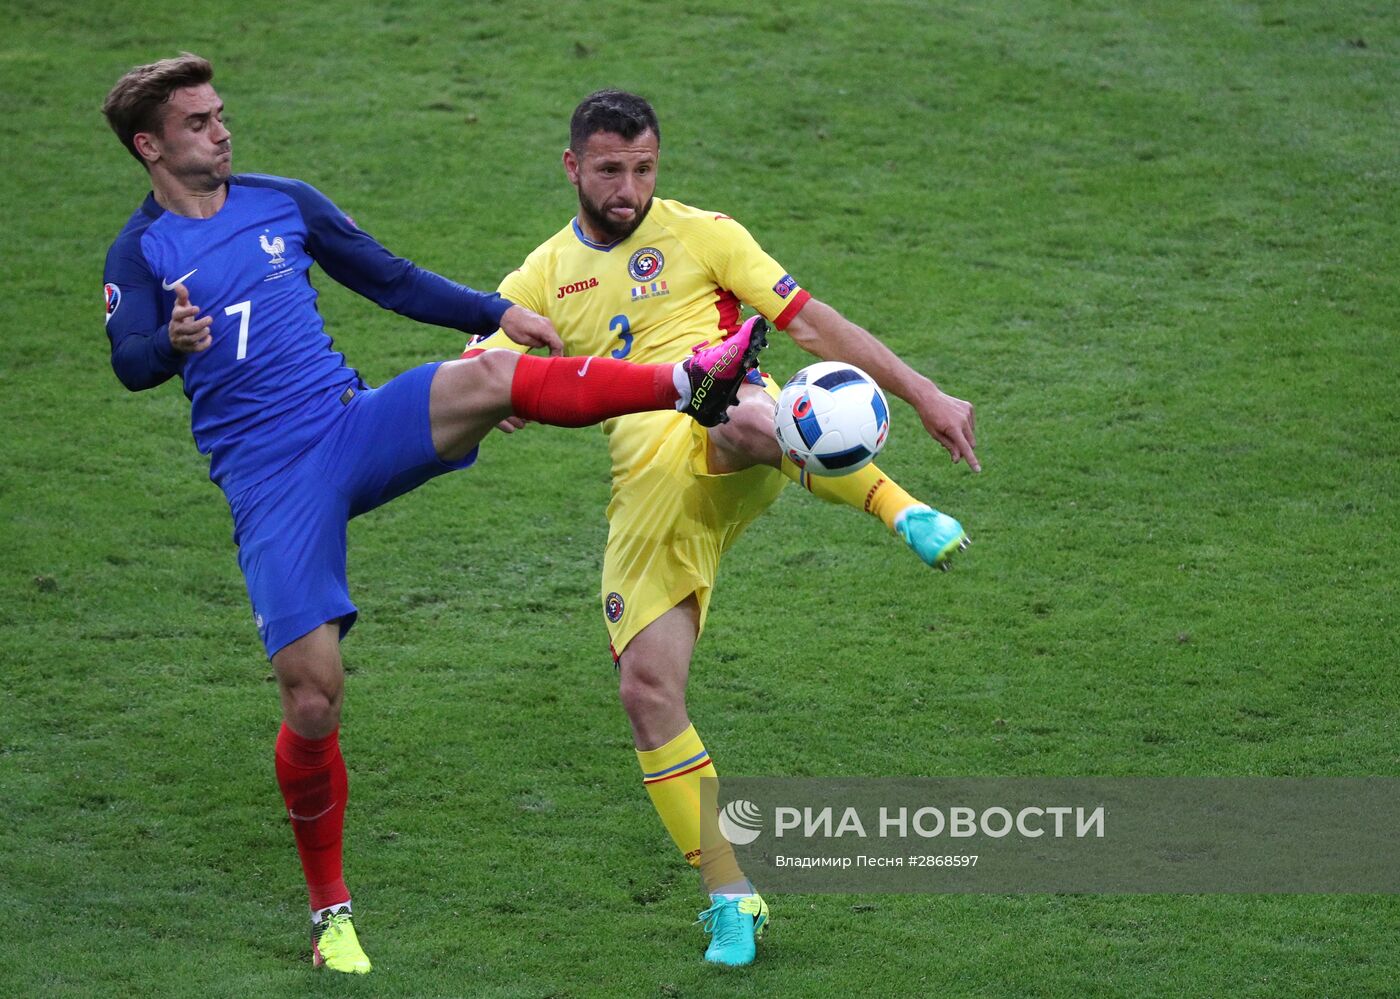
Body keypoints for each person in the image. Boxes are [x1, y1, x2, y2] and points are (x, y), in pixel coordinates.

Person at [100, 57, 766, 976]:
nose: (222, 131)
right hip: (271, 486)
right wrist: (169, 344)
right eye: (199, 122)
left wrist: (500, 310)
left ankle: (687, 380)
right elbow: (128, 358)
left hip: (347, 424)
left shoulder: (283, 202)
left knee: (488, 376)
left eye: (221, 114)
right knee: (314, 693)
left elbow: (388, 279)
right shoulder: (140, 253)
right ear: (151, 144)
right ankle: (330, 911)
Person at [461, 90, 980, 967]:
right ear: (573, 168)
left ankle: (902, 507)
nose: (629, 188)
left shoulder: (706, 234)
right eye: (610, 170)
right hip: (650, 494)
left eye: (644, 168)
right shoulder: (542, 275)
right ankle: (732, 896)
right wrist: (494, 388)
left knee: (725, 403)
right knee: (647, 692)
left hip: (731, 431)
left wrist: (924, 393)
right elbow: (480, 362)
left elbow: (813, 323)